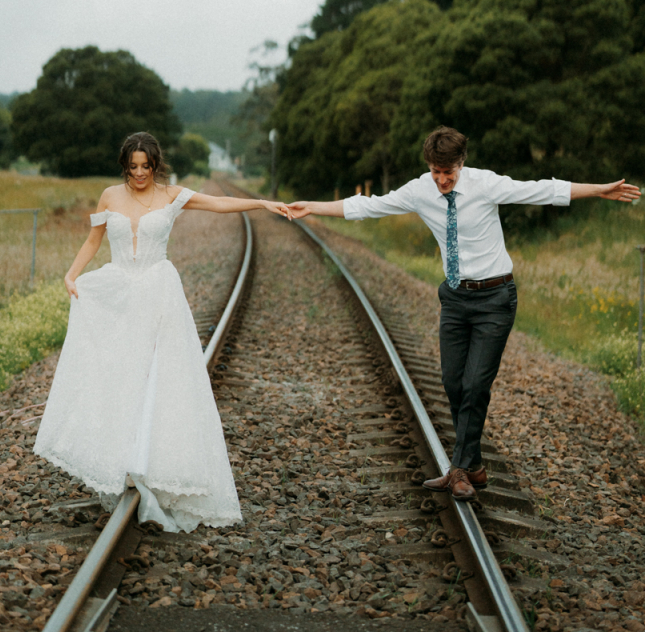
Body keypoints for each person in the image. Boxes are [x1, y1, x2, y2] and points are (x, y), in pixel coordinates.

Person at [287, 126, 640, 501]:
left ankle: (458, 471)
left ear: (461, 163)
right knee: (453, 383)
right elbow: (368, 206)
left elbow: (541, 189)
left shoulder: (485, 184)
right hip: (455, 299)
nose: (442, 180)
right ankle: (474, 466)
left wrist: (599, 190)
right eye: (436, 172)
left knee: (475, 386)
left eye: (448, 173)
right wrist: (312, 207)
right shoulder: (420, 190)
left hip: (495, 299)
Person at [34, 130, 291, 532]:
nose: (140, 173)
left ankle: (149, 461)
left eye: (146, 166)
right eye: (133, 167)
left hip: (158, 294)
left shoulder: (172, 195)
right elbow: (92, 240)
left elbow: (219, 204)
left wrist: (261, 203)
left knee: (154, 377)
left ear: (155, 165)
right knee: (120, 376)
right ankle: (123, 458)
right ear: (125, 165)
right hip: (119, 291)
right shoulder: (109, 196)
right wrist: (71, 274)